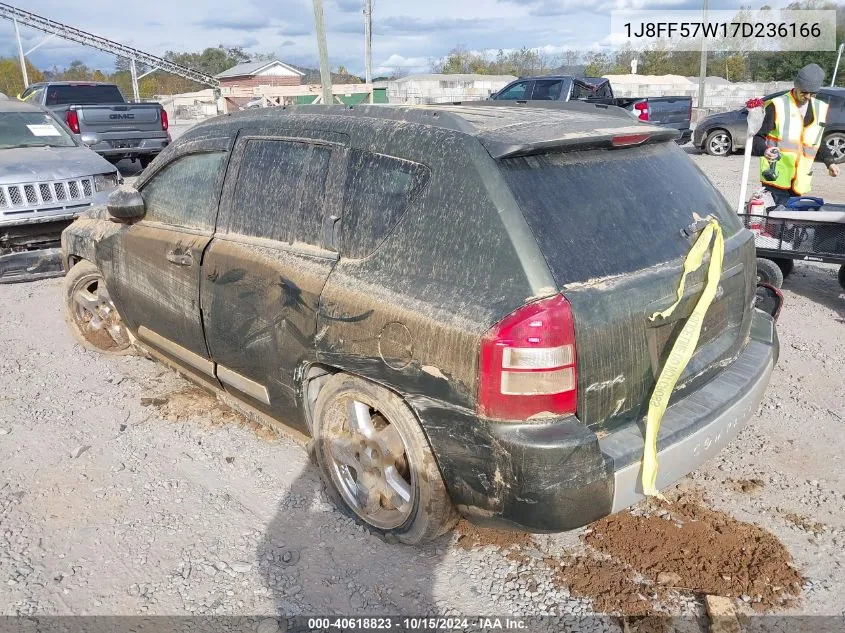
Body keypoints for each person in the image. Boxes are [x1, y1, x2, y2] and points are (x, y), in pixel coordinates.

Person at [752, 63, 839, 207]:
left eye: (813, 93)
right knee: (777, 222)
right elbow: (757, 137)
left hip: (800, 182)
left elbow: (818, 141)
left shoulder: (820, 108)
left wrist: (830, 162)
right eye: (804, 92)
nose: (808, 97)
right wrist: (765, 150)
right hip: (776, 180)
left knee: (792, 224)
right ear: (796, 86)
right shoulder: (777, 105)